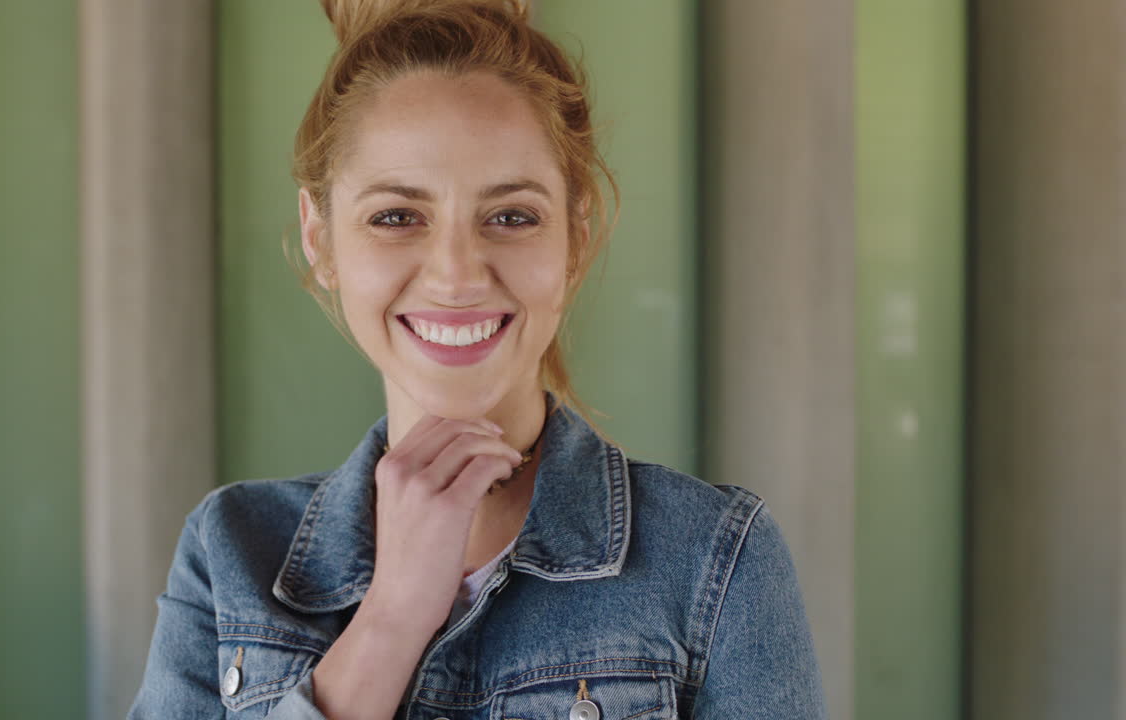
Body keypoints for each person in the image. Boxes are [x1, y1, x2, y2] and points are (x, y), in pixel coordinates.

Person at [128, 1, 827, 718]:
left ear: (576, 239)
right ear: (321, 237)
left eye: (511, 216)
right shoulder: (229, 553)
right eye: (397, 217)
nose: (456, 276)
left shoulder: (717, 560)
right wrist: (391, 618)